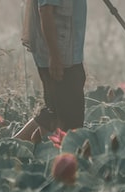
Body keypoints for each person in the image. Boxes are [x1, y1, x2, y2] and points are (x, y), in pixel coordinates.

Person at [14, 0, 87, 142]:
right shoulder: (57, 57)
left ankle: (11, 148)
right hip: (60, 55)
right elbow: (46, 12)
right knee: (69, 121)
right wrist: (55, 57)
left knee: (55, 114)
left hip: (67, 53)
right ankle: (10, 150)